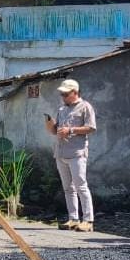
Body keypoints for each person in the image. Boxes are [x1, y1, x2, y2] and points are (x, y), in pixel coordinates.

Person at [43, 78, 96, 232]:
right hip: (61, 152)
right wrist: (50, 124)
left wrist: (71, 130)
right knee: (68, 188)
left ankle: (88, 220)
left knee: (81, 186)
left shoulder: (85, 107)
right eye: (62, 94)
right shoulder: (61, 110)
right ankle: (73, 218)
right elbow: (56, 131)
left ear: (75, 92)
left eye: (66, 94)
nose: (63, 97)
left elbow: (91, 128)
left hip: (77, 152)